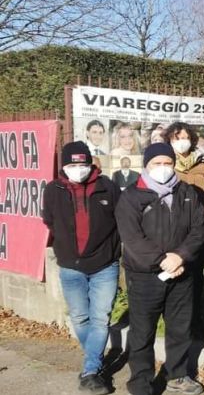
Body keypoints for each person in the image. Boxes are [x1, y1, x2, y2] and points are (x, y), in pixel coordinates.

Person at [115, 143, 204, 395]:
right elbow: (132, 238)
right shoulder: (131, 196)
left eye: (167, 163)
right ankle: (141, 383)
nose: (163, 168)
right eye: (157, 163)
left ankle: (177, 375)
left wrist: (180, 256)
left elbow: (199, 230)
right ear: (146, 166)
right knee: (142, 332)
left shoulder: (186, 192)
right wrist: (162, 261)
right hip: (145, 276)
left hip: (182, 274)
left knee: (180, 328)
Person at [42, 142, 121, 395]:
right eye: (73, 165)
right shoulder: (53, 190)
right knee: (79, 317)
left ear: (91, 164)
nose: (78, 169)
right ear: (64, 166)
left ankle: (90, 371)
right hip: (70, 266)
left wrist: (112, 250)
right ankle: (95, 359)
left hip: (105, 265)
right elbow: (49, 221)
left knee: (100, 318)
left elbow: (120, 221)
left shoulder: (107, 186)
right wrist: (67, 247)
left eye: (83, 164)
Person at [162, 122, 204, 334]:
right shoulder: (166, 164)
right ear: (169, 140)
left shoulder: (202, 164)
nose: (181, 142)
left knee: (196, 275)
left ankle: (195, 319)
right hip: (174, 230)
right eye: (177, 138)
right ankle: (173, 319)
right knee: (176, 274)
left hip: (200, 227)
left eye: (185, 137)